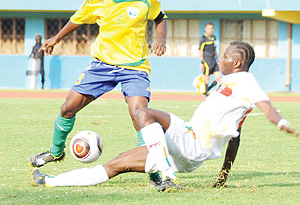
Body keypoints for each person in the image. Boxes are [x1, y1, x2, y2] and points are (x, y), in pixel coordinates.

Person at [32, 42, 298, 191]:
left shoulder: (246, 81)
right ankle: (51, 182)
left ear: (238, 63)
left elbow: (266, 106)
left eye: (226, 55)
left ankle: (165, 171)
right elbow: (235, 138)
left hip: (193, 146)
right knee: (115, 165)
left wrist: (281, 122)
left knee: (144, 113)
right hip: (182, 137)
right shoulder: (226, 83)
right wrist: (223, 176)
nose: (221, 57)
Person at [29, 0, 167, 187]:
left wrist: (161, 40)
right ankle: (55, 152)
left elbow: (160, 18)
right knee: (67, 107)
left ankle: (153, 171)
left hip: (134, 68)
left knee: (140, 115)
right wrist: (56, 38)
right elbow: (77, 19)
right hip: (102, 65)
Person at [198, 22, 222, 95]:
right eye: (208, 28)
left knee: (219, 78)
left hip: (213, 60)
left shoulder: (214, 38)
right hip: (206, 60)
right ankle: (206, 94)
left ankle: (207, 89)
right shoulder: (203, 39)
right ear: (205, 29)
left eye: (211, 28)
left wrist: (218, 59)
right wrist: (202, 62)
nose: (210, 30)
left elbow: (214, 50)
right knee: (207, 78)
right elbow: (200, 51)